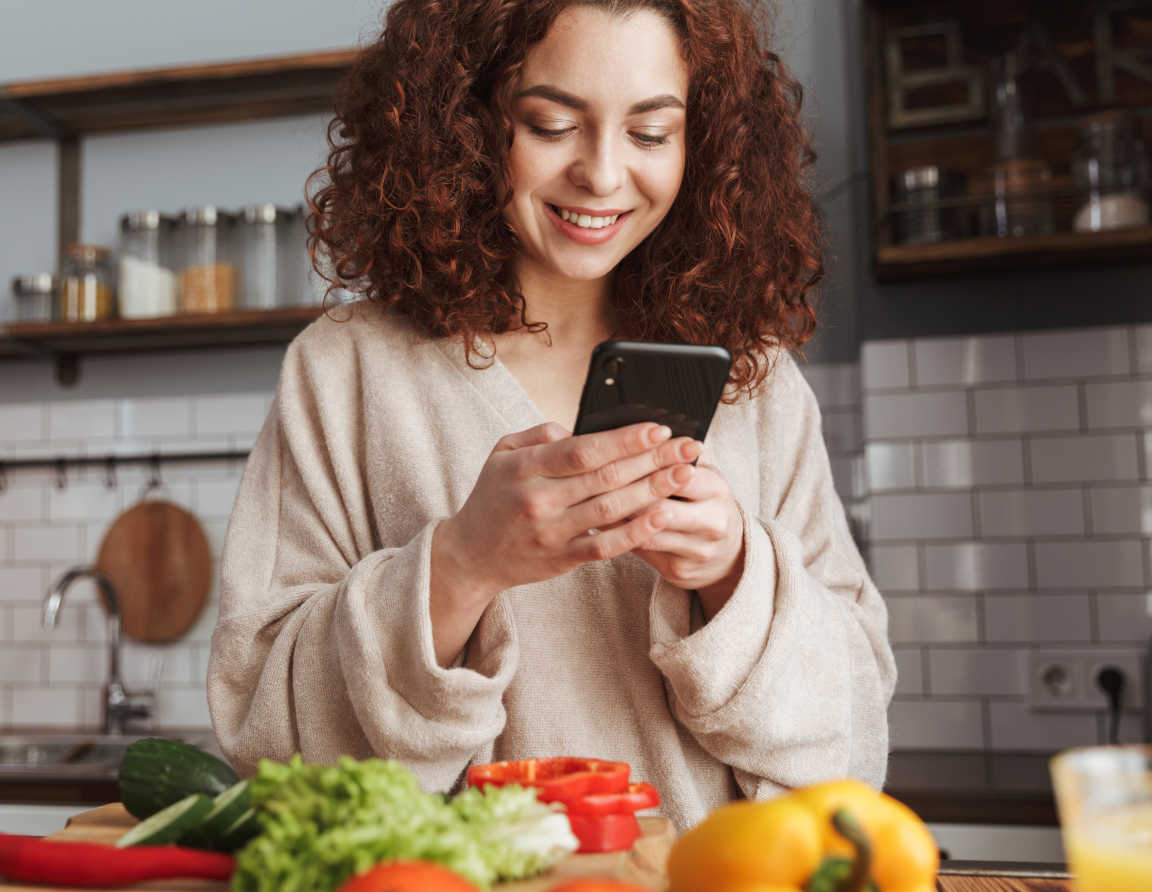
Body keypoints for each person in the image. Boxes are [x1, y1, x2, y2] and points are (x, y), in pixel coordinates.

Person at [208, 0, 896, 831]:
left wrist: (733, 573)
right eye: (550, 124)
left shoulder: (756, 380)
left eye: (650, 134)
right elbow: (262, 726)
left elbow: (858, 731)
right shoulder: (348, 371)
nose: (603, 175)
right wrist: (462, 566)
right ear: (465, 121)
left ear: (703, 144)